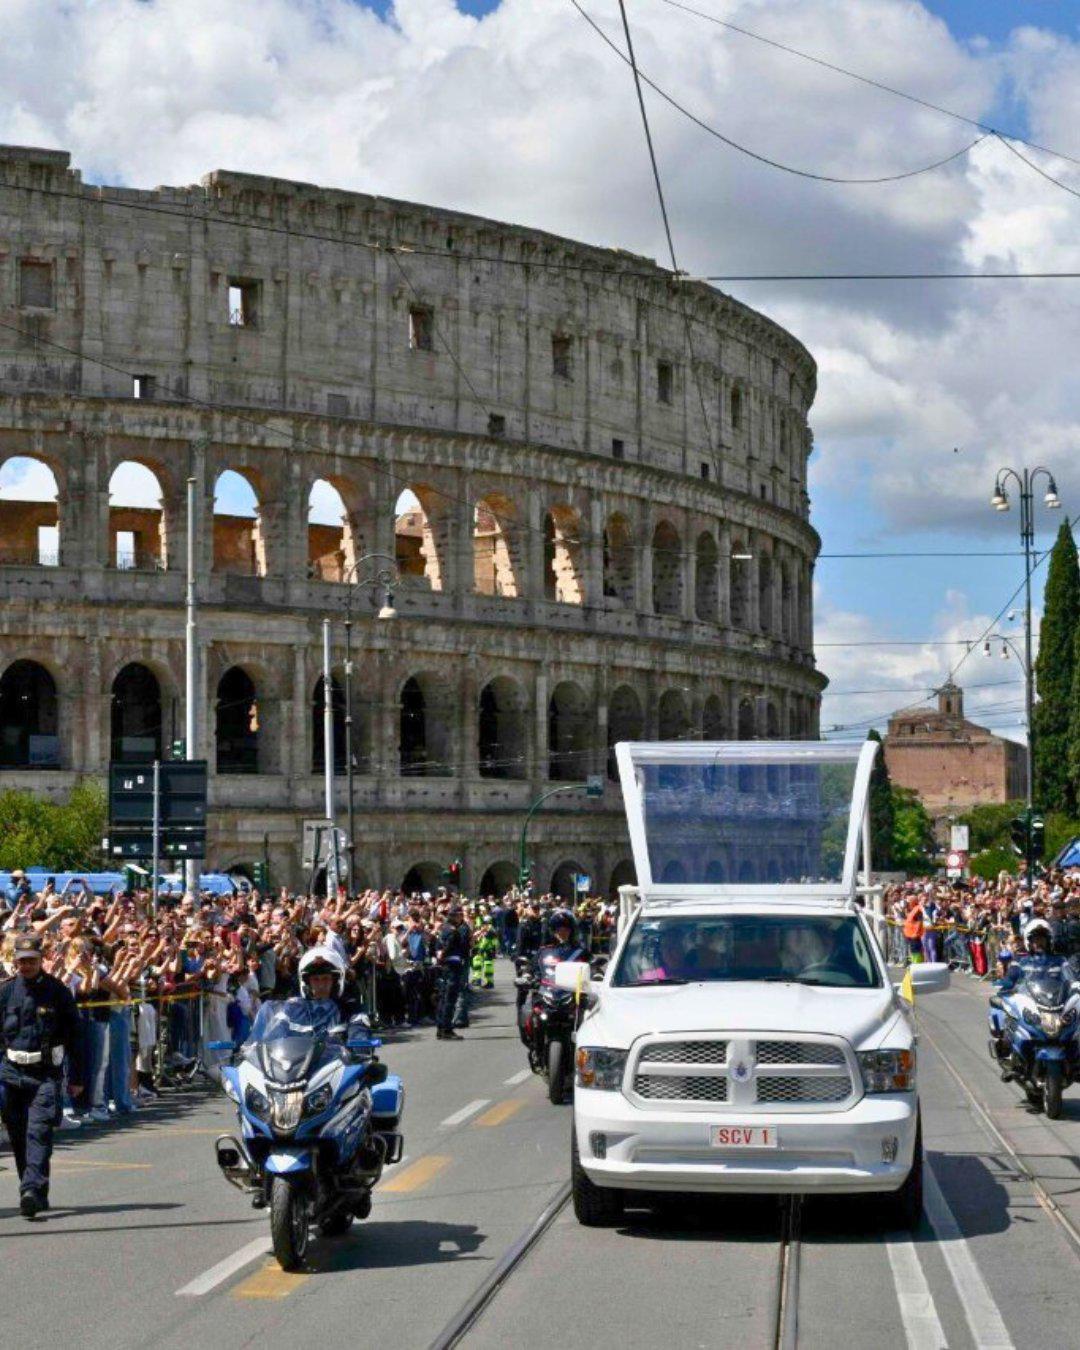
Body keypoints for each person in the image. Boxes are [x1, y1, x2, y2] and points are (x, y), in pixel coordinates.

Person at [0, 933, 84, 1217]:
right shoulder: (6, 992)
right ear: (15, 961)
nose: (26, 966)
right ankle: (34, 1187)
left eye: (31, 961)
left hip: (45, 1073)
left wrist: (77, 1078)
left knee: (39, 1131)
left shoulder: (57, 991)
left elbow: (76, 1037)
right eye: (22, 961)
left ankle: (30, 1189)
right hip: (11, 1072)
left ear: (41, 959)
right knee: (19, 1134)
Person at [435, 903, 471, 1041]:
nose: (461, 918)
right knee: (450, 999)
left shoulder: (444, 929)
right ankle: (446, 1029)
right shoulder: (454, 932)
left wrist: (440, 956)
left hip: (446, 966)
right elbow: (450, 948)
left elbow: (438, 946)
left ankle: (441, 1028)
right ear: (454, 917)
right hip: (453, 965)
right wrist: (442, 955)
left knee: (444, 998)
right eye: (459, 915)